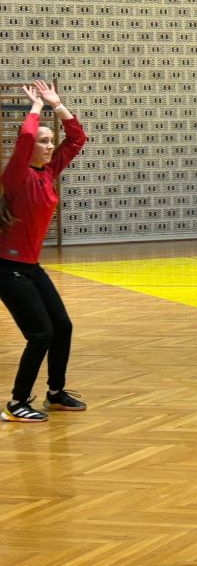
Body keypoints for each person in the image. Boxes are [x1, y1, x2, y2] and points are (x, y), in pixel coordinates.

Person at [0, 81, 87, 422]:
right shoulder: (16, 175)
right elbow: (24, 138)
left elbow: (77, 139)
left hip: (30, 267)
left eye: (52, 141)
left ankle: (55, 393)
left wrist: (57, 105)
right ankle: (17, 403)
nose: (50, 146)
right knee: (40, 334)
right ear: (30, 147)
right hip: (7, 268)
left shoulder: (48, 172)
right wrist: (36, 107)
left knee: (62, 327)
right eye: (44, 141)